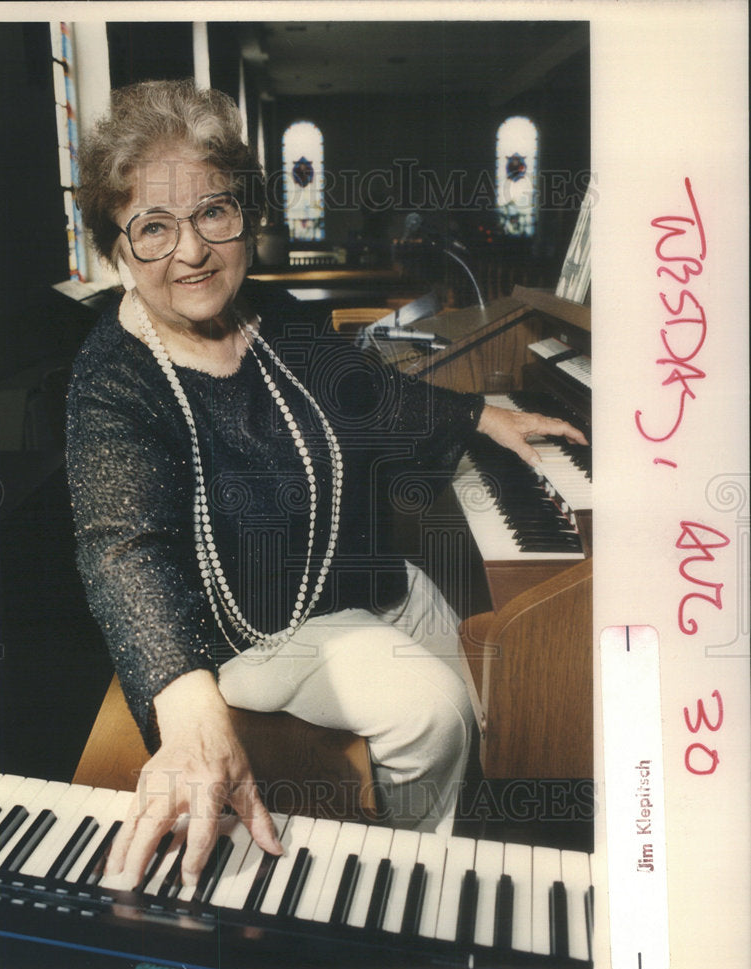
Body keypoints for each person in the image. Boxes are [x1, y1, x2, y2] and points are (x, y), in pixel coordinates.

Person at [67, 79, 588, 891]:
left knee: (476, 661)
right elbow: (121, 546)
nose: (192, 250)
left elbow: (366, 389)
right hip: (239, 637)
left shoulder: (270, 320)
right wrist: (184, 704)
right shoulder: (113, 378)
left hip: (347, 591)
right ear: (116, 249)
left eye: (212, 212)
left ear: (247, 214)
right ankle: (411, 889)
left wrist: (480, 418)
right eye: (153, 227)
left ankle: (448, 836)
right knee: (433, 712)